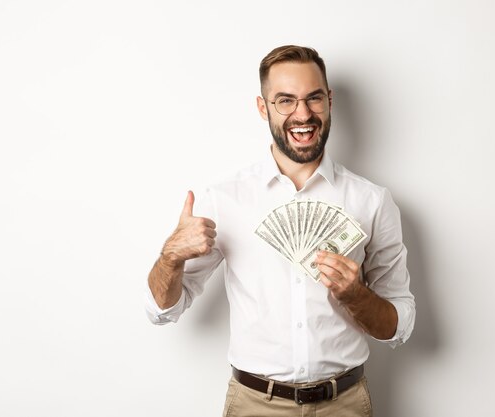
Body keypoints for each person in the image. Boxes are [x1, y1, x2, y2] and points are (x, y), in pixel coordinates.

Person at [145, 45, 416, 417]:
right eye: (285, 101)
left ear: (329, 100)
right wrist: (170, 258)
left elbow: (398, 324)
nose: (302, 114)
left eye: (313, 98)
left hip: (345, 405)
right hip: (255, 405)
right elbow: (162, 311)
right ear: (263, 108)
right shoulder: (225, 199)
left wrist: (356, 296)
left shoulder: (372, 201)